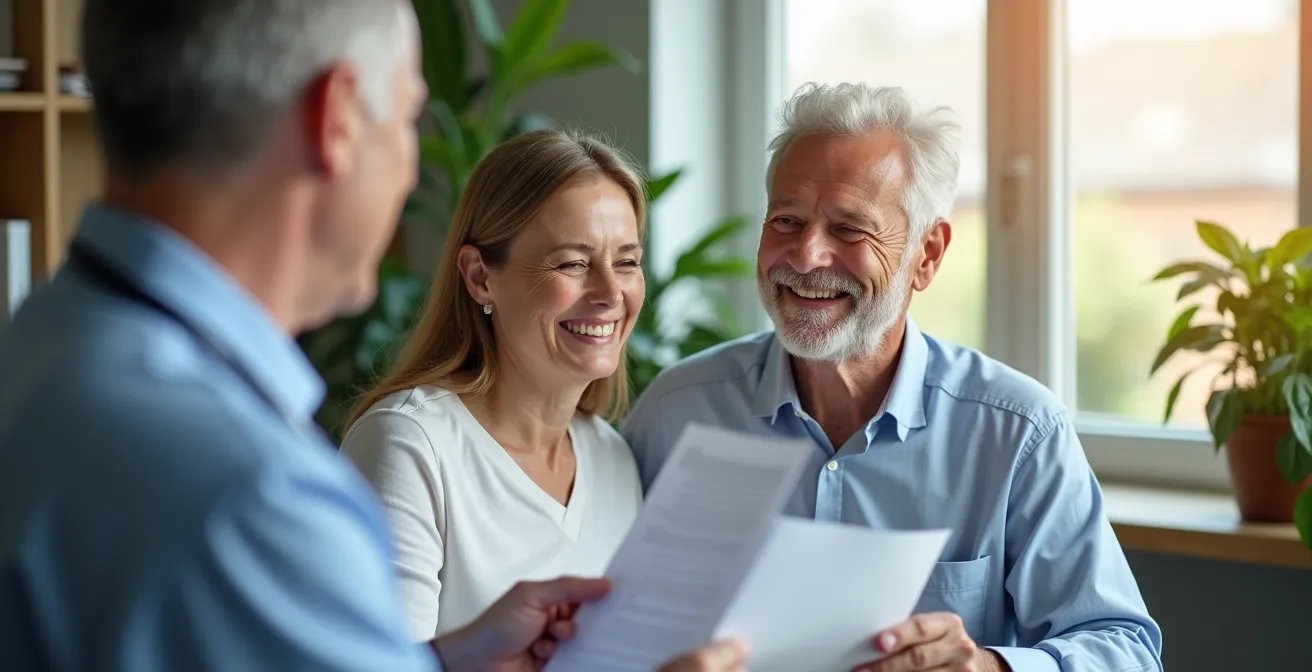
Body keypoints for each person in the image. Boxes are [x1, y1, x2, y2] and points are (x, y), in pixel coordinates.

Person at [0, 1, 745, 670]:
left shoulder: (42, 349)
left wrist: (449, 658)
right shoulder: (250, 492)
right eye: (407, 117)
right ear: (339, 119)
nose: (410, 166)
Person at [621, 82, 1165, 672]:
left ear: (926, 255)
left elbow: (1124, 649)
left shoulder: (1017, 432)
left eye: (849, 229)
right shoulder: (678, 412)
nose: (805, 257)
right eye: (786, 220)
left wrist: (989, 668)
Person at [340, 127, 646, 640]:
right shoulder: (409, 445)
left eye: (627, 262)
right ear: (481, 276)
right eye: (573, 263)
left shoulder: (613, 459)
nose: (610, 292)